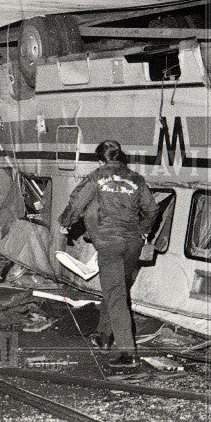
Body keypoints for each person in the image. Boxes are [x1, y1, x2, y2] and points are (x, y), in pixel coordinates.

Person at [58, 140, 159, 370]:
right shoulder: (136, 179)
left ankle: (127, 353)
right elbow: (152, 210)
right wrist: (143, 230)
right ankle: (104, 336)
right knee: (117, 289)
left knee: (115, 294)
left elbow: (77, 200)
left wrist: (66, 223)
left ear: (102, 160)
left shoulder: (98, 176)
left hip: (109, 243)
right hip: (132, 243)